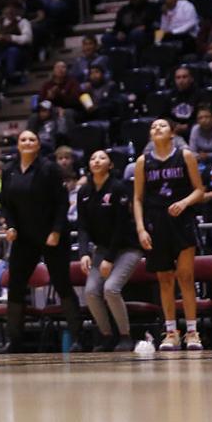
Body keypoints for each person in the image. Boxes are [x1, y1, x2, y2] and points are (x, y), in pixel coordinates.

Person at [0, 130, 82, 352]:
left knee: (62, 284)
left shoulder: (49, 168)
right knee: (15, 286)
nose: (27, 142)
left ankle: (78, 339)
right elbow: (6, 203)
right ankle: (14, 342)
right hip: (24, 238)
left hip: (51, 236)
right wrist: (11, 226)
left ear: (39, 145)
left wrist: (57, 230)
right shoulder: (9, 170)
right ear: (18, 145)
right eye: (23, 139)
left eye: (32, 139)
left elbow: (63, 202)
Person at [133, 118, 205, 351]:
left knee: (185, 276)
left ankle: (193, 332)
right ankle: (171, 331)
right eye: (153, 127)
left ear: (172, 133)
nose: (157, 129)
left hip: (182, 220)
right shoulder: (143, 162)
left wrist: (184, 203)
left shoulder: (185, 156)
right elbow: (137, 198)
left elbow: (200, 190)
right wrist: (141, 228)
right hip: (156, 222)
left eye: (162, 126)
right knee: (164, 280)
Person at [77, 150, 140, 352]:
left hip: (127, 248)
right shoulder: (84, 192)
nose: (97, 160)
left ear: (110, 165)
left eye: (102, 158)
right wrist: (84, 253)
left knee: (111, 289)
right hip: (102, 249)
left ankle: (125, 336)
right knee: (90, 292)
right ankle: (106, 336)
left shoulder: (118, 188)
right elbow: (83, 226)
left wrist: (110, 258)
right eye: (93, 158)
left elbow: (121, 226)